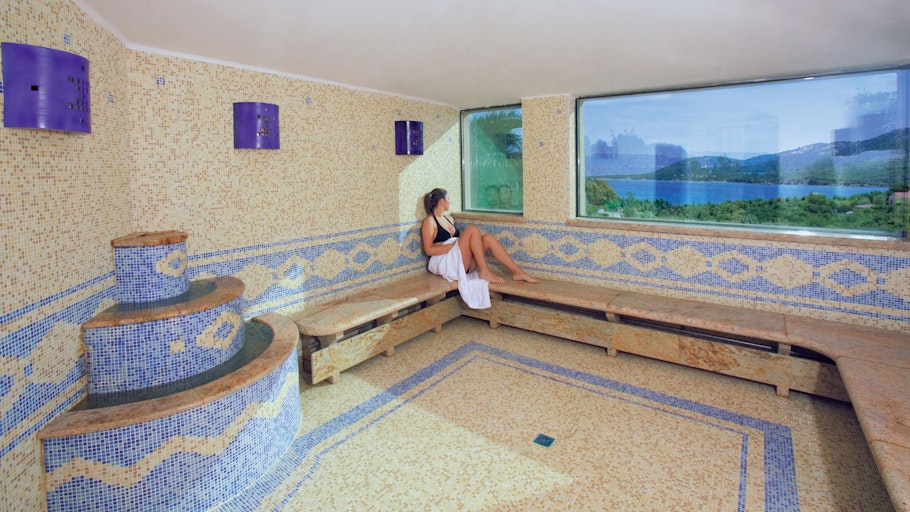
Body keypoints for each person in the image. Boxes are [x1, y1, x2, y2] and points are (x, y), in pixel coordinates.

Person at [421, 188, 538, 287]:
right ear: (442, 201)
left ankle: (517, 272)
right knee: (472, 229)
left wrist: (457, 243)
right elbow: (429, 250)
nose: (450, 201)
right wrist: (454, 244)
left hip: (462, 262)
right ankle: (484, 271)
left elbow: (457, 244)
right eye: (448, 198)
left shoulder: (449, 219)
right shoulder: (430, 222)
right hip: (448, 264)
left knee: (488, 238)